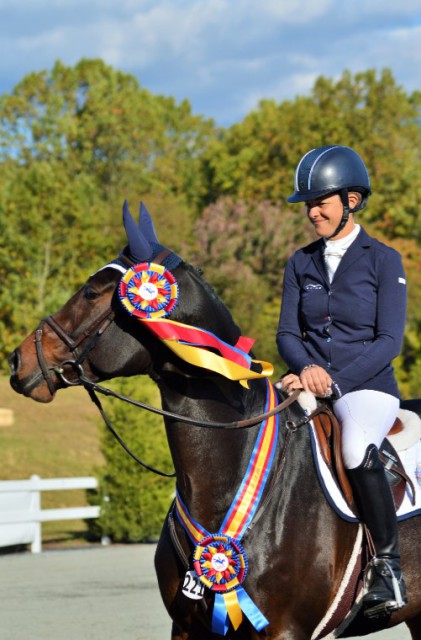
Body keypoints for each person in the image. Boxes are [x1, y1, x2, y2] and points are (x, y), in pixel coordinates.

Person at [276, 144, 408, 618]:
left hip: (367, 388)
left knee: (354, 448)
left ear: (351, 200)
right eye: (309, 204)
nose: (312, 212)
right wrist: (304, 370)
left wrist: (330, 380)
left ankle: (388, 566)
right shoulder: (300, 262)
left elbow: (389, 341)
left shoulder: (383, 259)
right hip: (309, 383)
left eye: (321, 202)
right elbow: (288, 332)